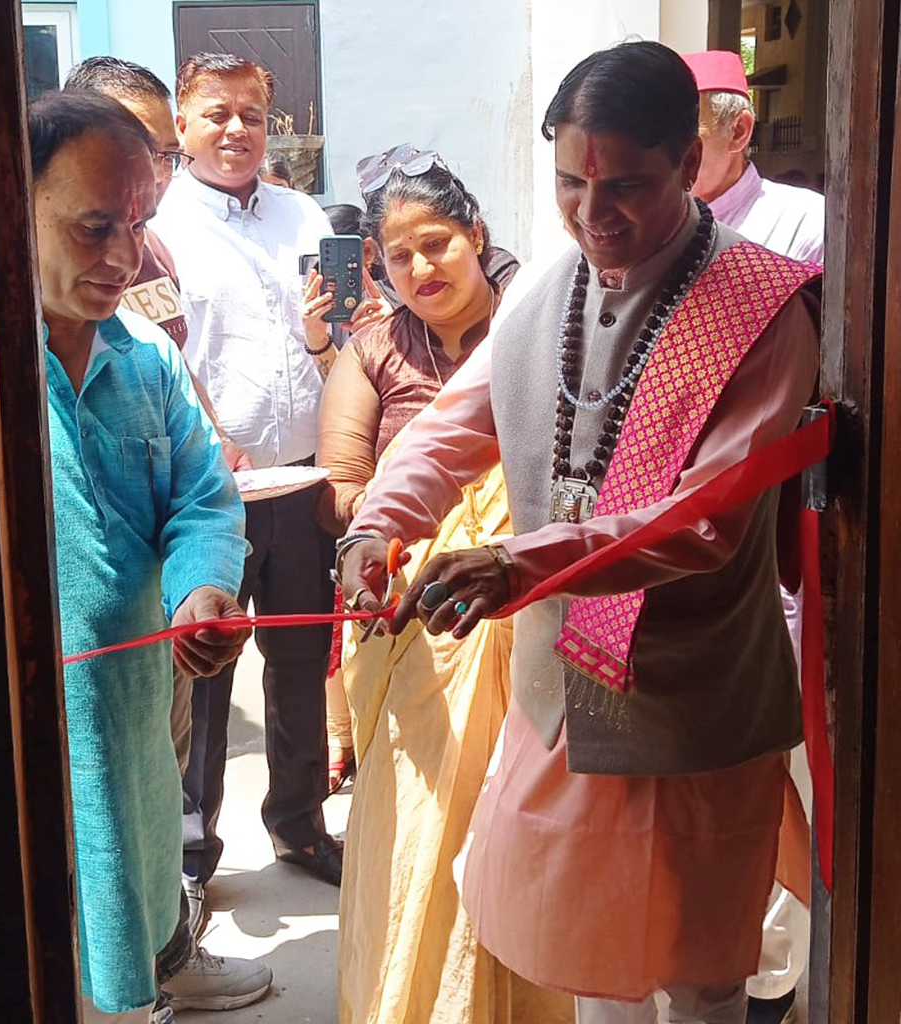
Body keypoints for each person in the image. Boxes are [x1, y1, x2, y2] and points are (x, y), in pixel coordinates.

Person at [339, 42, 821, 1024]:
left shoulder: (763, 309)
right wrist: (375, 531)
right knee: (587, 968)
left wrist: (517, 563)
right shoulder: (543, 291)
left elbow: (704, 521)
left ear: (690, 162)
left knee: (699, 976)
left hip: (693, 703)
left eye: (626, 186)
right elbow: (450, 428)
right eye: (570, 183)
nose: (592, 213)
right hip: (560, 698)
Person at [30, 90, 269, 1022]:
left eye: (137, 227)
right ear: (13, 206)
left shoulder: (146, 361)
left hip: (138, 697)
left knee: (141, 848)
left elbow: (205, 497)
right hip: (40, 727)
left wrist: (202, 588)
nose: (124, 258)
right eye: (95, 228)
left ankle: (160, 970)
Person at [316, 147, 564, 1024]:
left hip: (527, 605)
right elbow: (344, 481)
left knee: (522, 817)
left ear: (477, 236)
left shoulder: (541, 322)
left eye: (438, 244)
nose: (422, 267)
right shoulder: (374, 350)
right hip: (414, 619)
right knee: (424, 823)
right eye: (400, 255)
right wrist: (384, 534)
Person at [151, 53, 342, 899]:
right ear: (183, 123)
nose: (237, 130)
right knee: (208, 671)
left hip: (302, 481)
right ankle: (193, 854)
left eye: (253, 116)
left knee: (300, 660)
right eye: (217, 114)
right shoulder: (158, 226)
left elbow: (343, 332)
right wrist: (211, 445)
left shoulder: (304, 215)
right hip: (210, 494)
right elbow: (160, 353)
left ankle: (300, 824)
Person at [684, 48, 826, 1024]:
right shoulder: (654, 233)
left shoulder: (804, 224)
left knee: (782, 778)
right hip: (678, 551)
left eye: (683, 135)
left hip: (774, 536)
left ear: (738, 130)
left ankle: (773, 981)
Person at [684, 49, 824, 262]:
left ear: (738, 131)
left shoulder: (810, 222)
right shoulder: (646, 222)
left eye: (684, 130)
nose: (662, 150)